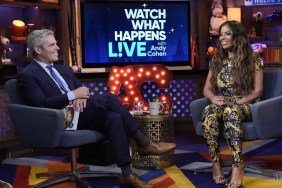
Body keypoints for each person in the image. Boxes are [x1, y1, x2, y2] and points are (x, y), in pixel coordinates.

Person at [17, 29, 176, 188]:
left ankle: (127, 175)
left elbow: (82, 90)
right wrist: (72, 95)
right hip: (57, 119)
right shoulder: (28, 74)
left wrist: (79, 95)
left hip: (79, 114)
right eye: (52, 45)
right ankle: (143, 143)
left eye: (56, 43)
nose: (58, 47)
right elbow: (40, 104)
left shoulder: (63, 69)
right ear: (38, 50)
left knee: (114, 117)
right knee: (110, 98)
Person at [201, 21, 263, 188]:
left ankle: (237, 166)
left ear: (237, 36)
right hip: (224, 103)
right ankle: (216, 163)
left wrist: (233, 102)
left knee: (231, 112)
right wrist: (214, 98)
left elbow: (257, 91)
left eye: (227, 34)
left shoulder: (252, 58)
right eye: (221, 34)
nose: (222, 38)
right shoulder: (218, 60)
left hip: (247, 104)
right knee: (208, 111)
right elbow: (206, 89)